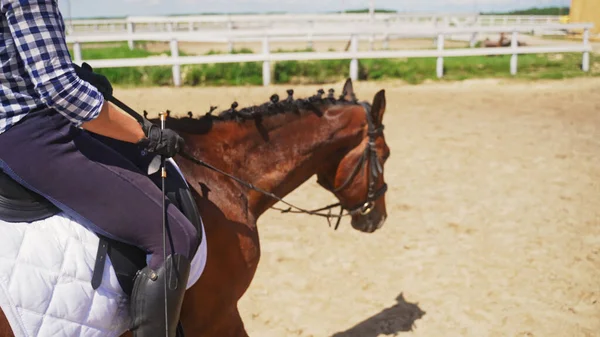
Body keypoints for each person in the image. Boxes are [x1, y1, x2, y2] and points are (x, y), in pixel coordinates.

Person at [0, 1, 199, 336]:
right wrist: (145, 133)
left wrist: (81, 78)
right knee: (174, 235)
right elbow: (58, 88)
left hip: (15, 129)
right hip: (35, 135)